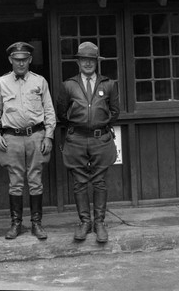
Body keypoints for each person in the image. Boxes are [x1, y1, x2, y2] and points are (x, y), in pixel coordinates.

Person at [0, 41, 56, 240]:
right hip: (12, 138)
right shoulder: (1, 83)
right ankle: (16, 224)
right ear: (10, 60)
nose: (20, 63)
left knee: (36, 181)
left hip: (36, 136)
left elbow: (49, 111)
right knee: (15, 183)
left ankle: (36, 224)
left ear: (30, 60)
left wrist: (49, 136)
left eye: (24, 60)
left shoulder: (39, 82)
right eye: (17, 60)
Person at [56, 42, 120, 243]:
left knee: (100, 181)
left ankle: (99, 223)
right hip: (76, 138)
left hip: (100, 138)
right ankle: (85, 222)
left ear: (96, 62)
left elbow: (115, 111)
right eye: (84, 60)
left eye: (91, 60)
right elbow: (61, 112)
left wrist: (100, 124)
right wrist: (79, 125)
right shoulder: (69, 85)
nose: (88, 64)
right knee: (80, 182)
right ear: (78, 62)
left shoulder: (108, 84)